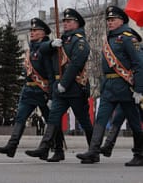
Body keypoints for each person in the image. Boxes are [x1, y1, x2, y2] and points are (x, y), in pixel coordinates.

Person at [76, 6, 143, 166]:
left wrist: (139, 90)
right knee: (101, 118)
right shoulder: (109, 39)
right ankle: (93, 151)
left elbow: (139, 64)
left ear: (122, 21)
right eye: (108, 20)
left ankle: (140, 154)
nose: (110, 22)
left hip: (125, 87)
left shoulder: (128, 38)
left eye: (113, 20)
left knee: (134, 121)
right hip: (108, 86)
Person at [25, 8, 93, 160]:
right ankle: (45, 148)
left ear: (77, 23)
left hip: (75, 87)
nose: (65, 24)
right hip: (59, 89)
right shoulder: (61, 41)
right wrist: (51, 45)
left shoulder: (80, 42)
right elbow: (41, 50)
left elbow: (75, 65)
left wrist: (63, 83)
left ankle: (93, 150)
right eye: (64, 21)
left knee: (84, 121)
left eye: (69, 21)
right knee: (53, 118)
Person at [0, 18, 65, 161]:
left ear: (43, 33)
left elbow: (51, 74)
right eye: (31, 30)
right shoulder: (31, 49)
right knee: (20, 118)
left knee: (51, 121)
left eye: (35, 30)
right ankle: (11, 146)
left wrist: (51, 95)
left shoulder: (46, 49)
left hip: (42, 91)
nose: (32, 33)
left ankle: (58, 150)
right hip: (29, 91)